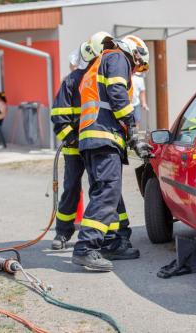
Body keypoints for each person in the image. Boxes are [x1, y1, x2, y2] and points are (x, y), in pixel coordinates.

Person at [72, 34, 153, 271]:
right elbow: (117, 95)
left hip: (95, 137)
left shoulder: (101, 61)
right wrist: (134, 131)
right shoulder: (118, 57)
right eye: (138, 66)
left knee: (109, 193)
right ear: (135, 52)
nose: (136, 71)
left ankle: (112, 242)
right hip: (103, 136)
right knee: (108, 192)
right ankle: (86, 247)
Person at [50, 32, 134, 254]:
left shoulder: (98, 76)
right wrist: (72, 139)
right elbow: (59, 117)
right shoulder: (73, 80)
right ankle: (63, 231)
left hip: (93, 142)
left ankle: (114, 233)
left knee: (106, 187)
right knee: (72, 187)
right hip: (75, 145)